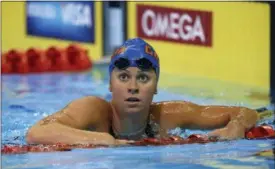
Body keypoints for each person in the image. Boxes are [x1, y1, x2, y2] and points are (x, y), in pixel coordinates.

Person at [26, 38, 258, 146]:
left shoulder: (169, 114)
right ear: (110, 84)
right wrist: (104, 140)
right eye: (123, 76)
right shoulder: (93, 110)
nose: (133, 86)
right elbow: (37, 133)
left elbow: (246, 112)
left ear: (156, 87)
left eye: (144, 78)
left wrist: (237, 125)